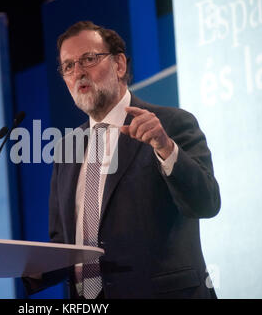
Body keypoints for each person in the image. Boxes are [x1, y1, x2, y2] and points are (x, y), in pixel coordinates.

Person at [24, 21, 220, 299]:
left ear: (119, 65)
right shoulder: (66, 149)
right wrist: (29, 267)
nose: (78, 72)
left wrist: (166, 148)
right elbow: (65, 243)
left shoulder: (172, 124)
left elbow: (207, 202)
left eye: (88, 59)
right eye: (68, 66)